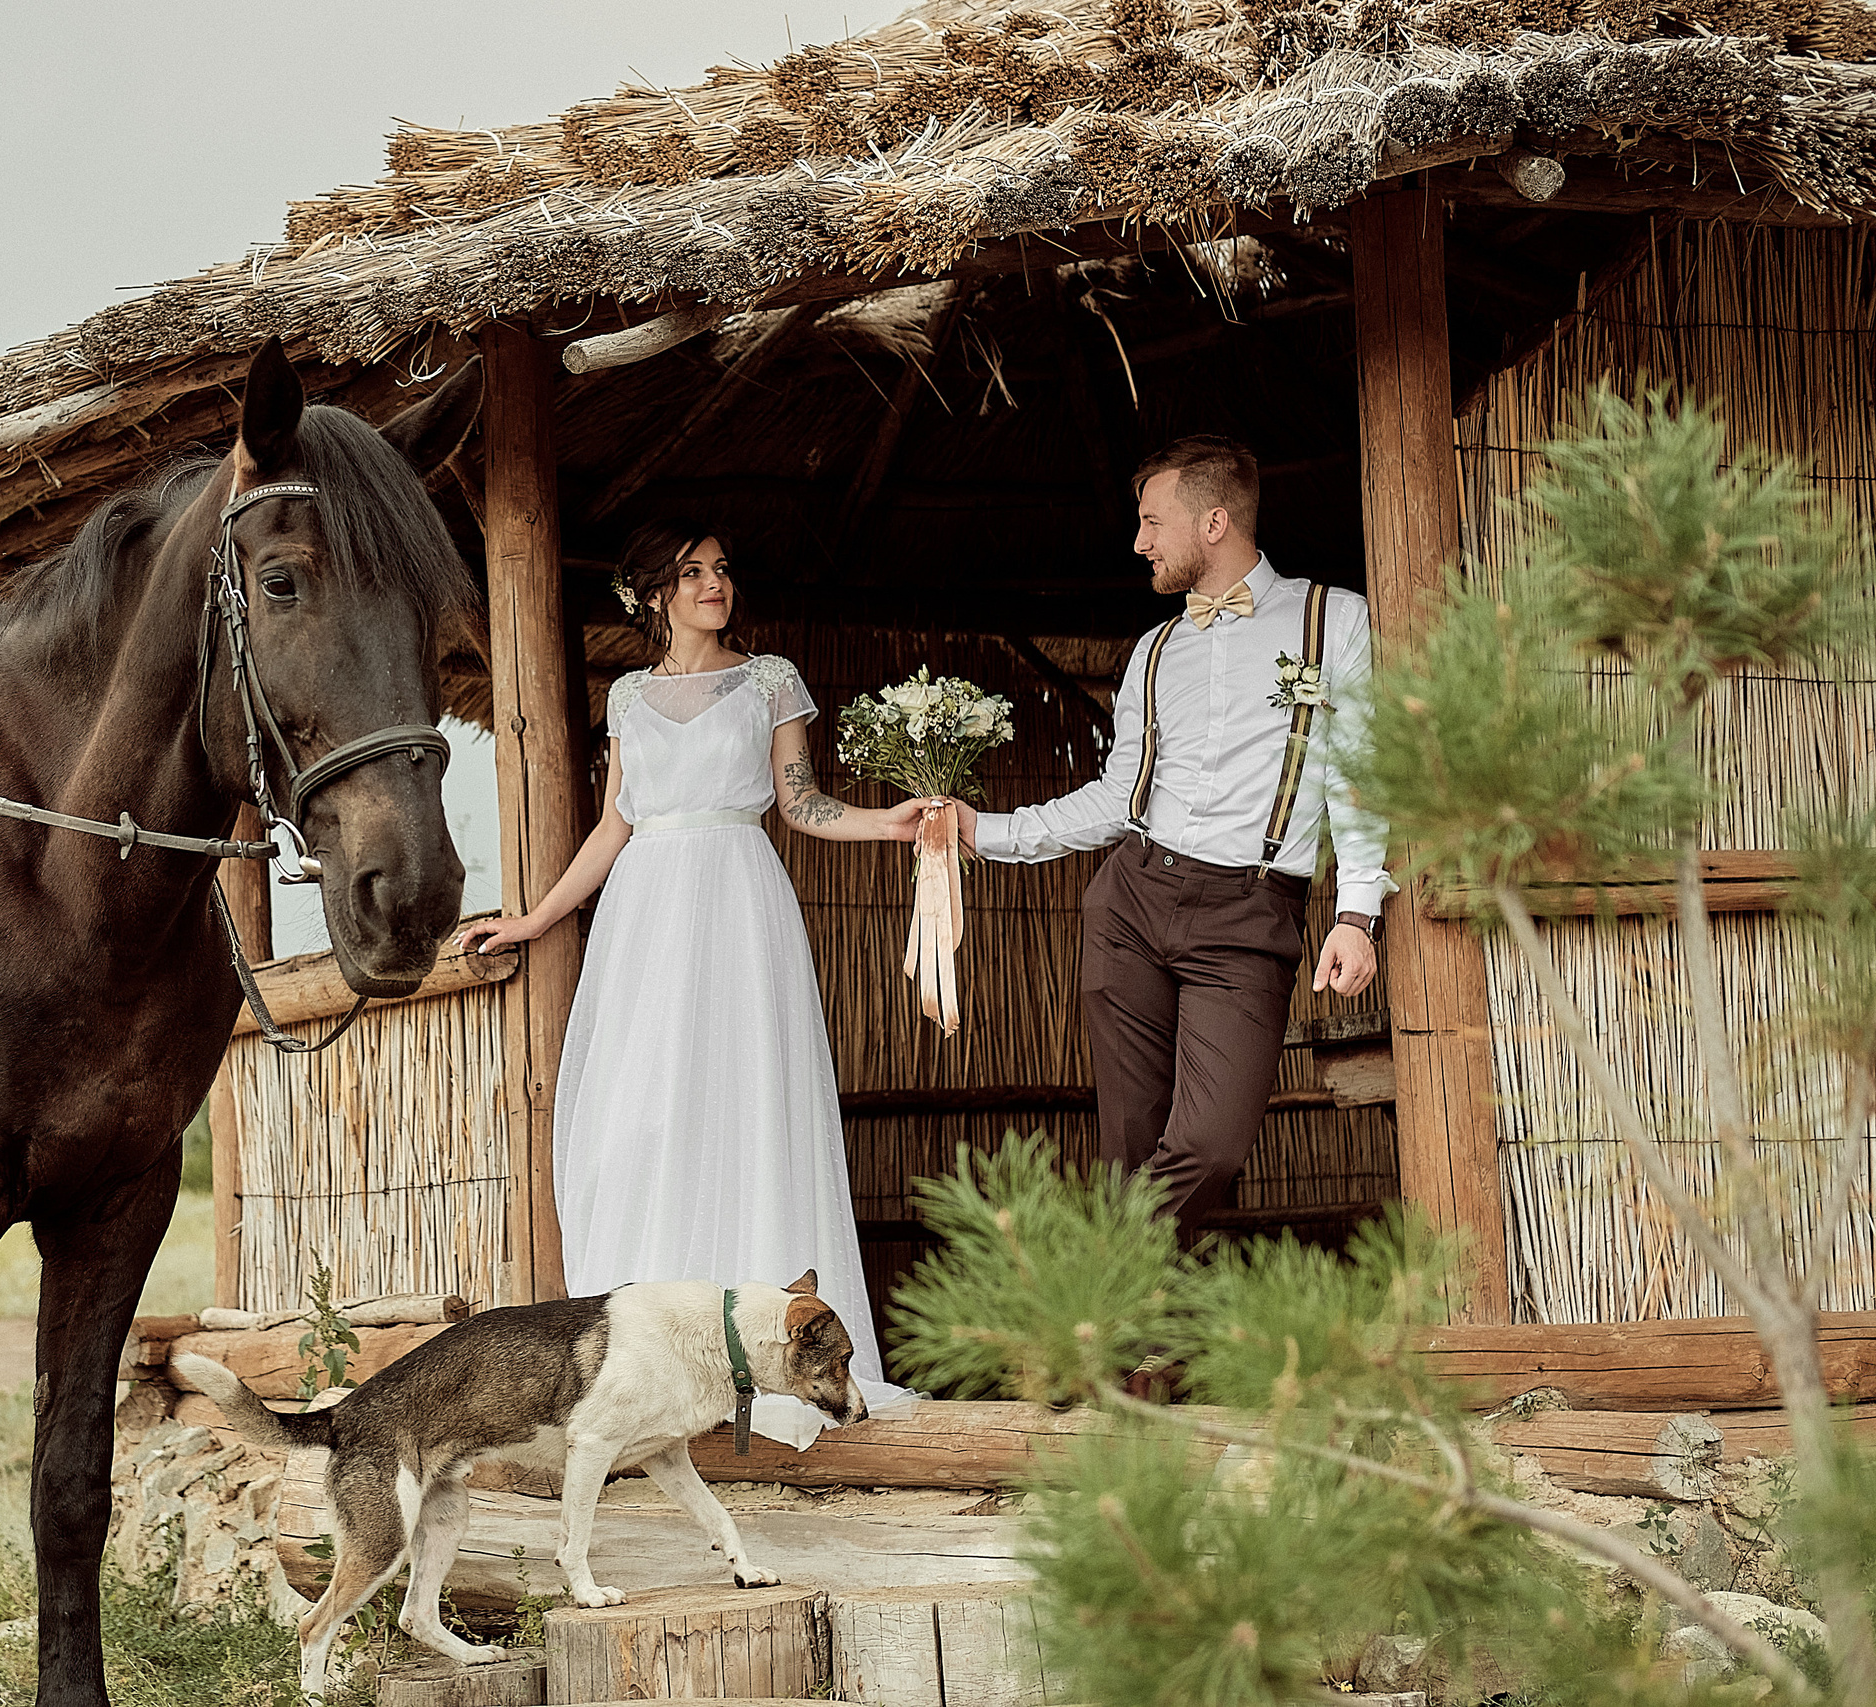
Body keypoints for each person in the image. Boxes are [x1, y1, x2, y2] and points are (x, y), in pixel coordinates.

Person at [457, 520, 924, 1445]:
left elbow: (800, 803)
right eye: (694, 573)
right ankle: (650, 1368)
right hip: (646, 918)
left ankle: (780, 1364)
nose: (716, 584)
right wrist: (535, 918)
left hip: (741, 904)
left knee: (747, 1103)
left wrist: (891, 824)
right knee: (643, 1115)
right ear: (657, 595)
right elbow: (612, 827)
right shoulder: (629, 696)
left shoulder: (769, 679)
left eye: (723, 569)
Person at [943, 435, 1391, 1241]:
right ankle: (1132, 1356)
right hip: (1132, 904)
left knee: (1210, 1148)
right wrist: (990, 831)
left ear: (1214, 521)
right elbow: (1120, 798)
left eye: (1154, 522)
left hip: (1250, 917)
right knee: (1128, 1150)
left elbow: (1358, 773)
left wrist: (1357, 913)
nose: (1140, 542)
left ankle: (1085, 1277)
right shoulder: (1153, 652)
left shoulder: (1335, 619)